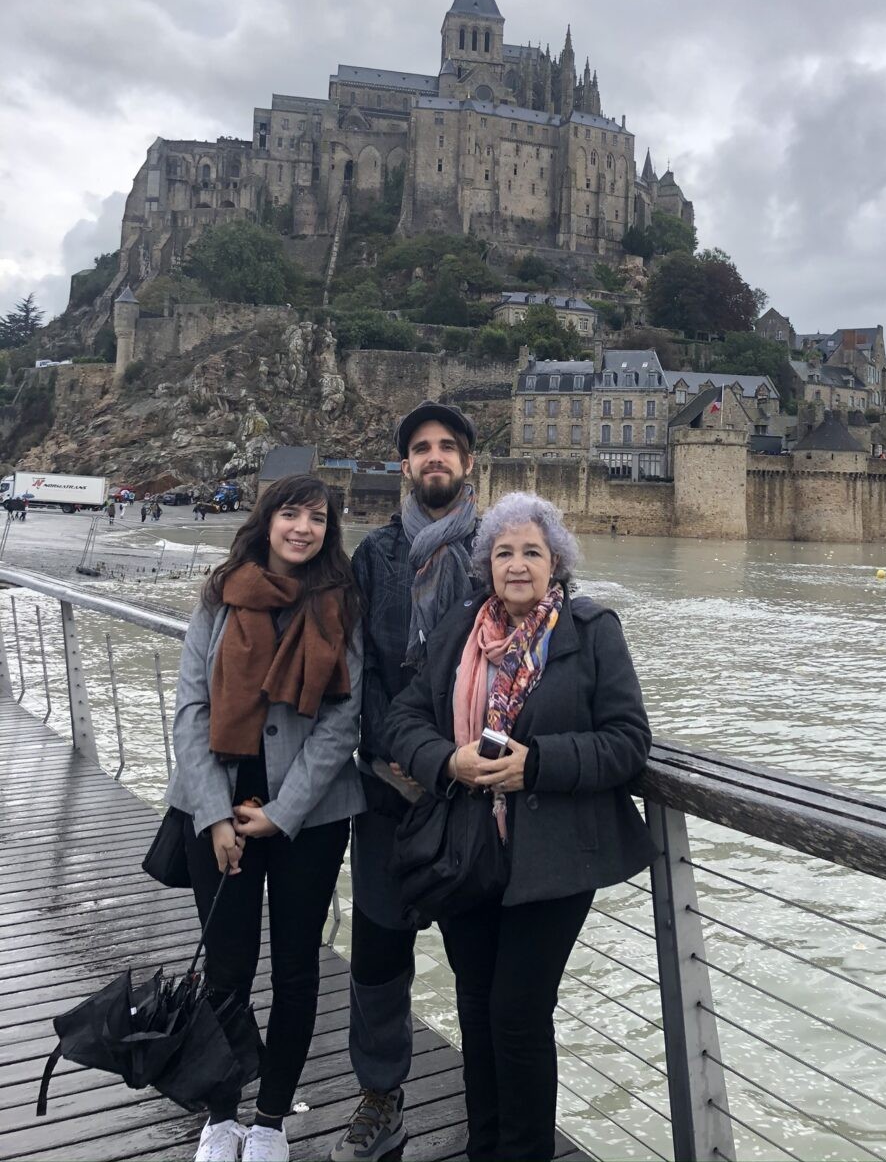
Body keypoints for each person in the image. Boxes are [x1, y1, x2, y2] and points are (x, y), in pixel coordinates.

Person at [387, 492, 656, 1162]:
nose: (516, 564)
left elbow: (628, 743)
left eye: (531, 552)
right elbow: (401, 720)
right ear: (487, 565)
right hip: (466, 852)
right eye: (503, 552)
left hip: (553, 860)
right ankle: (486, 1148)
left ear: (555, 563)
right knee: (477, 1010)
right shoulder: (457, 629)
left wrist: (536, 767)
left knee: (518, 1014)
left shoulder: (592, 631)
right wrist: (447, 759)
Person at [164, 475, 366, 1162]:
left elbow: (345, 720)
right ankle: (221, 1116)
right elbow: (190, 708)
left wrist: (284, 812)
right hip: (216, 806)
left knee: (296, 970)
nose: (303, 528)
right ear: (267, 520)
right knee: (226, 970)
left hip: (309, 816)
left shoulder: (341, 603)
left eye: (317, 517)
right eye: (291, 514)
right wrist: (214, 815)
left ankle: (272, 1119)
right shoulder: (220, 597)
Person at [329, 401, 478, 1162]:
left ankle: (492, 1106)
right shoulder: (375, 556)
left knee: (480, 965)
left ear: (469, 463)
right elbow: (356, 677)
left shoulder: (503, 549)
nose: (434, 458)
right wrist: (395, 751)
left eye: (447, 447)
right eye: (420, 448)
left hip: (477, 804)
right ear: (404, 465)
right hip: (389, 795)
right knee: (380, 961)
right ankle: (380, 1098)